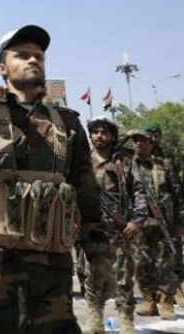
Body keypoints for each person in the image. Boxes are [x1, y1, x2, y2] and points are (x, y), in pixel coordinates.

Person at [0, 25, 112, 334]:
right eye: (22, 55)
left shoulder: (68, 124)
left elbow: (87, 199)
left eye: (38, 56)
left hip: (53, 265)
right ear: (1, 68)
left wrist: (99, 259)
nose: (33, 60)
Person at [78, 117, 145, 334]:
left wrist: (136, 221)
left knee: (124, 278)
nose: (99, 136)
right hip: (89, 229)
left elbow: (140, 191)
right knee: (90, 275)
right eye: (95, 132)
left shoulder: (124, 161)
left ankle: (126, 321)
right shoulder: (82, 160)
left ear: (112, 136)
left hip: (119, 230)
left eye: (104, 132)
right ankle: (95, 320)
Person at [129, 128, 184, 321]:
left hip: (164, 222)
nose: (138, 144)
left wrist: (180, 221)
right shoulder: (128, 165)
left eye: (142, 140)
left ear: (151, 143)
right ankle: (148, 301)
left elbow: (178, 194)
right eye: (135, 141)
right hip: (139, 224)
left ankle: (166, 303)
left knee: (165, 264)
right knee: (141, 263)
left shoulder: (163, 164)